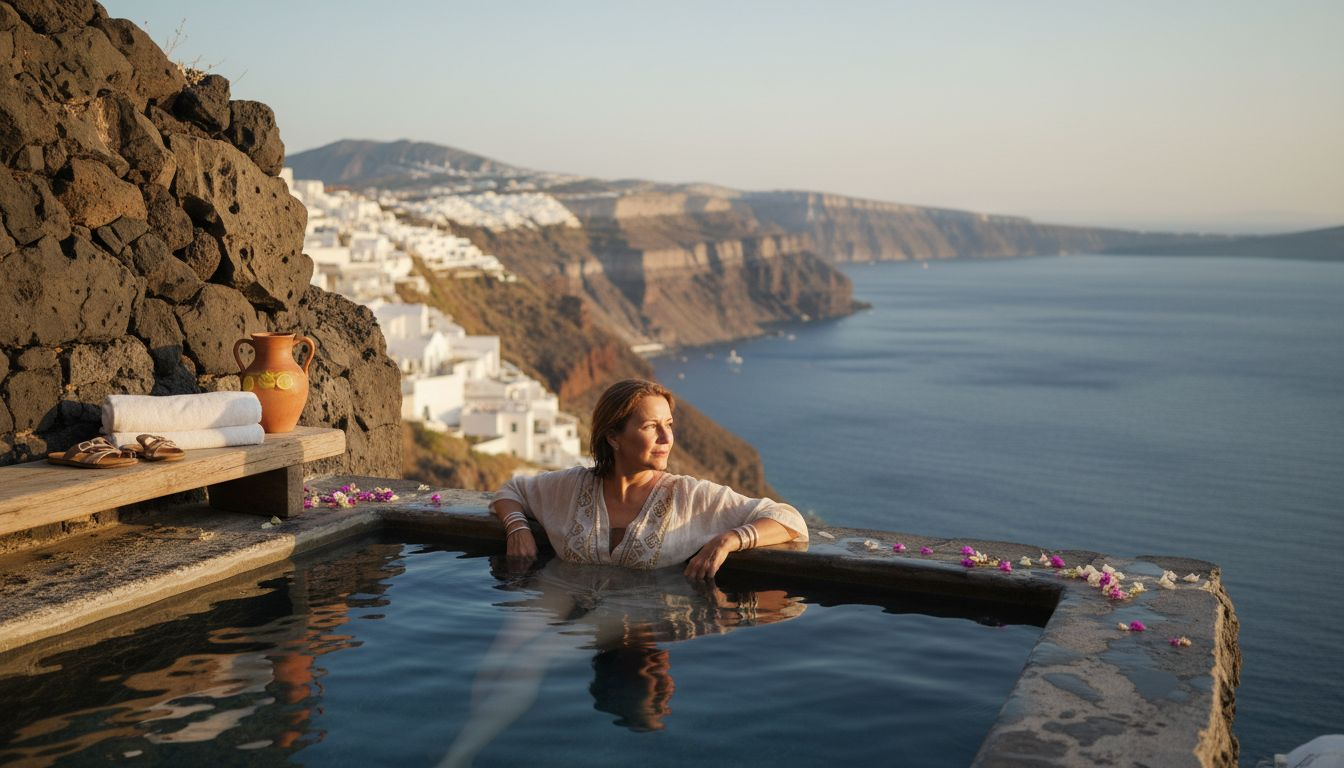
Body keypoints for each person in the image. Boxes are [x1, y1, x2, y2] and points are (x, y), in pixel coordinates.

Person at [490, 378, 808, 578]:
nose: (666, 438)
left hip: (646, 635)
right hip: (573, 626)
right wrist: (517, 529)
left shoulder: (689, 496)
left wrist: (727, 540)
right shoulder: (571, 487)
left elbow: (788, 519)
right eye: (650, 426)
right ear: (613, 436)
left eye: (668, 424)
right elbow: (511, 490)